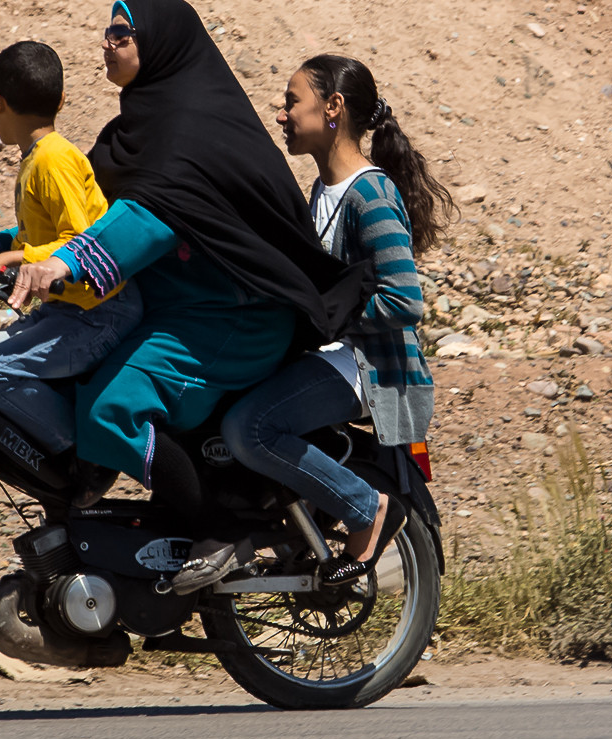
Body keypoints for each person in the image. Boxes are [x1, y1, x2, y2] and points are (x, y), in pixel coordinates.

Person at [9, 0, 368, 516]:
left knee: (112, 407)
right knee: (76, 382)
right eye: (107, 34)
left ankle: (212, 529)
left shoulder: (189, 127)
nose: (107, 45)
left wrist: (65, 264)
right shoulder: (135, 130)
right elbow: (91, 215)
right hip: (180, 310)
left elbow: (151, 217)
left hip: (236, 316)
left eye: (121, 35)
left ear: (159, 45)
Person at [187, 54, 453, 591]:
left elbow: (404, 301)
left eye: (292, 101)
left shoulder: (370, 194)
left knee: (251, 428)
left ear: (333, 108)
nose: (281, 114)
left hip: (370, 367)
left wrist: (333, 319)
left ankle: (368, 510)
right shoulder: (321, 193)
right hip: (337, 356)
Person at [0, 40, 142, 454]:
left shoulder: (53, 161)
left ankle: (79, 457)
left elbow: (81, 243)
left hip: (99, 314)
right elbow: (30, 240)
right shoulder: (39, 157)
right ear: (61, 100)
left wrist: (4, 259)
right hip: (70, 312)